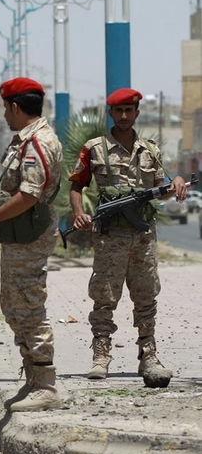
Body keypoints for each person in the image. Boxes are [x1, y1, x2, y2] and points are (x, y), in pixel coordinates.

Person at [68, 88, 186, 388]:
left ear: (136, 113)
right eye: (118, 111)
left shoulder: (149, 150)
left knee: (146, 296)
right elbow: (76, 185)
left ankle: (148, 355)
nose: (123, 116)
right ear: (110, 113)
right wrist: (79, 213)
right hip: (110, 237)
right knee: (105, 297)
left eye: (129, 110)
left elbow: (163, 186)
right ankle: (101, 353)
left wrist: (179, 183)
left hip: (143, 236)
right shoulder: (94, 148)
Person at [0, 77, 63, 412]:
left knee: (29, 307)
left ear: (16, 107)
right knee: (13, 304)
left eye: (5, 109)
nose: (4, 116)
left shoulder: (38, 143)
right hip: (19, 239)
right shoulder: (24, 141)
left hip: (30, 239)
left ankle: (45, 386)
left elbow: (28, 196)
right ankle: (33, 379)